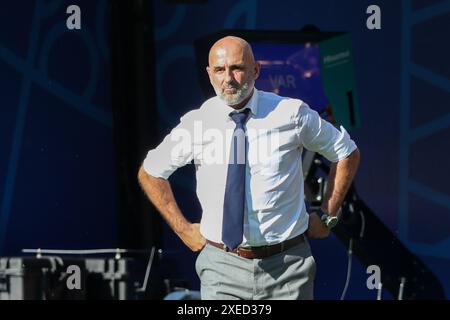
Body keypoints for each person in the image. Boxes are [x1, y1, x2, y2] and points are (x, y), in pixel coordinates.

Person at [138, 36, 360, 300]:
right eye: (219, 70)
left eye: (237, 68)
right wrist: (183, 229)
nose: (228, 78)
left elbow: (346, 152)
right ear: (209, 74)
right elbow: (151, 172)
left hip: (287, 266)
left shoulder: (290, 114)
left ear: (256, 70)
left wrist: (327, 216)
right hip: (222, 267)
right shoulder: (197, 123)